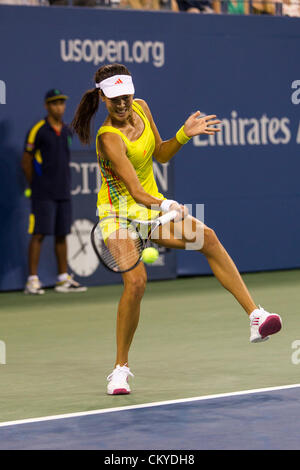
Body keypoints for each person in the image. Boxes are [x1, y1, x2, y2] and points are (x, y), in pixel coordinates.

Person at [71, 63, 282, 395]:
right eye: (115, 100)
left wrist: (183, 134)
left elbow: (162, 154)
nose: (123, 104)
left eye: (126, 96)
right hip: (118, 215)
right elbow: (135, 191)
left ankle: (255, 316)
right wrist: (167, 205)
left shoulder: (141, 108)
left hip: (150, 209)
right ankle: (120, 369)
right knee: (137, 281)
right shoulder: (108, 138)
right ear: (102, 98)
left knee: (207, 238)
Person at [22, 89, 87, 295]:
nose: (59, 107)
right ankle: (32, 280)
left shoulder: (67, 131)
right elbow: (26, 160)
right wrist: (37, 184)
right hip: (43, 192)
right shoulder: (38, 130)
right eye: (54, 103)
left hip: (63, 191)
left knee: (62, 234)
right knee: (39, 233)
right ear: (47, 106)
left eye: (61, 103)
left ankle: (62, 279)